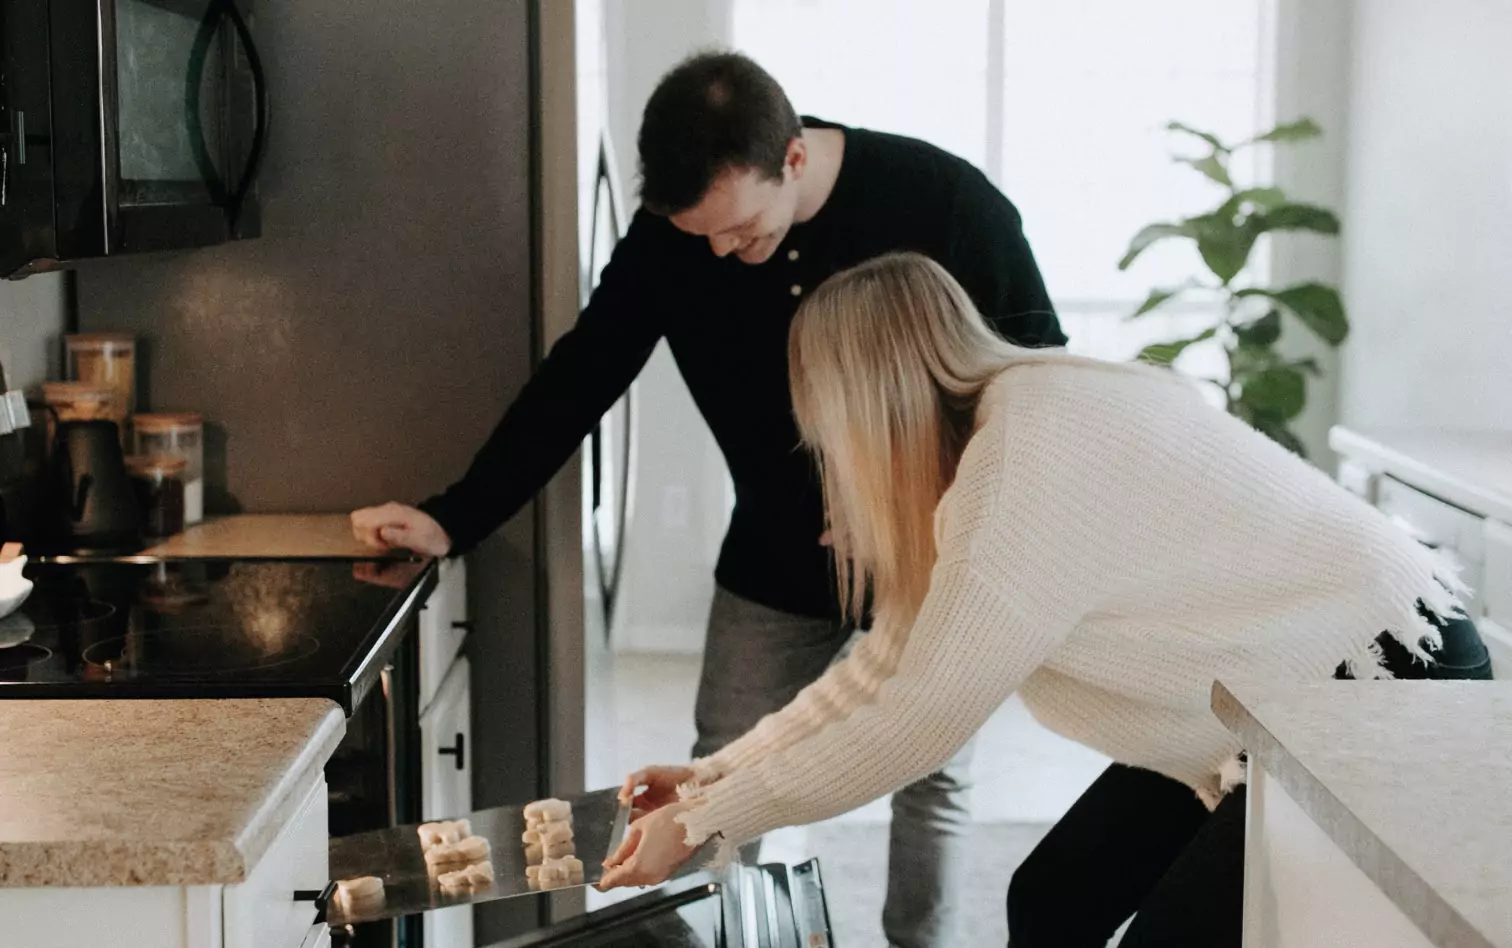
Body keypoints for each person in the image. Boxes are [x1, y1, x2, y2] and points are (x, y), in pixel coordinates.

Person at [350, 52, 1064, 947]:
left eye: (741, 229)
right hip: (772, 557)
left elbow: (1036, 382)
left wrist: (937, 497)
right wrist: (456, 514)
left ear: (793, 159)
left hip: (931, 550)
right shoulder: (677, 238)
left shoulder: (945, 202)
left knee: (934, 776)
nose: (724, 253)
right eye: (704, 237)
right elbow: (583, 375)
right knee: (720, 776)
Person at [597, 252, 1493, 946]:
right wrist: (717, 776)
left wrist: (712, 819)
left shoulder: (1024, 460)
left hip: (1379, 677)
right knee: (1053, 895)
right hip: (1274, 702)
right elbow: (883, 669)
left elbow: (914, 721)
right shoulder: (999, 440)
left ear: (862, 404)